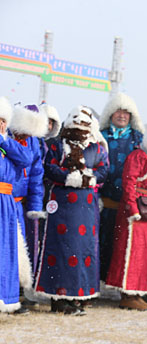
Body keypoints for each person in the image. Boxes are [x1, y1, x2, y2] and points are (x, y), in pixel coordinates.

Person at [34, 107, 109, 314]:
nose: (80, 130)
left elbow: (104, 170)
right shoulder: (58, 146)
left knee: (83, 250)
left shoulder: (96, 147)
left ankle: (78, 295)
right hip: (62, 205)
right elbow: (49, 168)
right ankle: (58, 298)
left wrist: (89, 178)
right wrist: (70, 177)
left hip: (86, 207)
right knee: (61, 248)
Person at [105, 120, 147, 310]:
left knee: (145, 254)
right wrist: (132, 209)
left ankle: (137, 292)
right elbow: (129, 182)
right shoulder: (138, 156)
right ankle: (127, 293)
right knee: (131, 252)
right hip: (135, 211)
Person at [98, 93, 145, 284]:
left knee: (122, 245)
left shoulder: (138, 139)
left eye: (126, 112)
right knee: (100, 242)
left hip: (128, 203)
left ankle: (116, 283)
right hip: (102, 201)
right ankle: (98, 282)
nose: (122, 115)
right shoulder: (100, 136)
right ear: (110, 113)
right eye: (118, 111)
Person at [8, 104, 48, 313]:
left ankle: (15, 293)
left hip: (18, 204)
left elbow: (35, 175)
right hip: (4, 198)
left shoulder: (32, 141)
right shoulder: (5, 138)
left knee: (18, 250)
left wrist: (34, 206)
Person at [1, 96, 34, 314]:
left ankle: (7, 297)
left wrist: (3, 141)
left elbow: (26, 158)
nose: (0, 124)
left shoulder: (8, 144)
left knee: (7, 251)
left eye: (3, 121)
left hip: (6, 203)